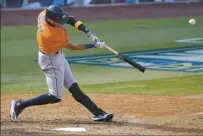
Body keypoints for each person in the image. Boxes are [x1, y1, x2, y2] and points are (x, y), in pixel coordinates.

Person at [10, 5, 114, 122]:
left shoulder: (45, 13)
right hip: (50, 61)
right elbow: (73, 47)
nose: (62, 23)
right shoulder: (51, 35)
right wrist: (94, 45)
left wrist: (88, 32)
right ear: (50, 21)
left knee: (74, 87)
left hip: (57, 55)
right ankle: (20, 104)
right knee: (55, 96)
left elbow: (70, 19)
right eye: (59, 21)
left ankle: (98, 113)